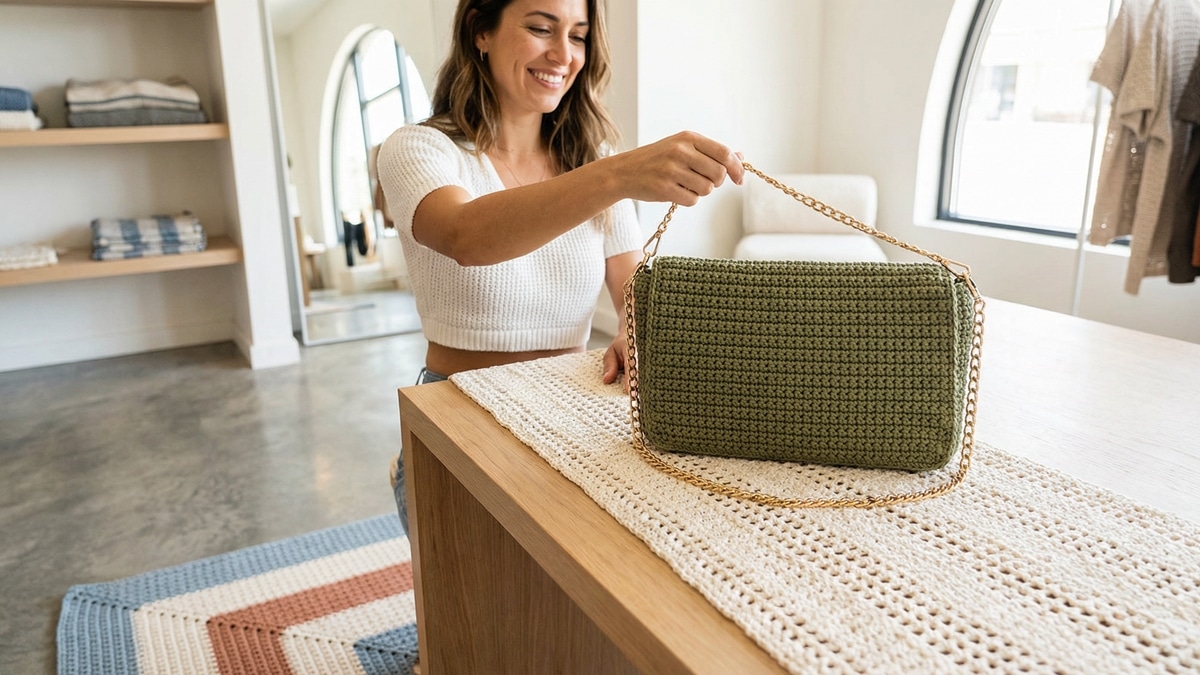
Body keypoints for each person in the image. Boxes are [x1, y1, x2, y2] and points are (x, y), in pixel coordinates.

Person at [379, 0, 744, 536]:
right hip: (459, 414)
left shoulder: (591, 160)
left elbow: (633, 288)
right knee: (476, 612)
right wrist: (616, 175)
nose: (562, 54)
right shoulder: (419, 149)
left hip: (566, 409)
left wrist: (631, 328)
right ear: (481, 31)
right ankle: (407, 472)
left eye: (578, 36)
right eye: (539, 28)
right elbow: (465, 235)